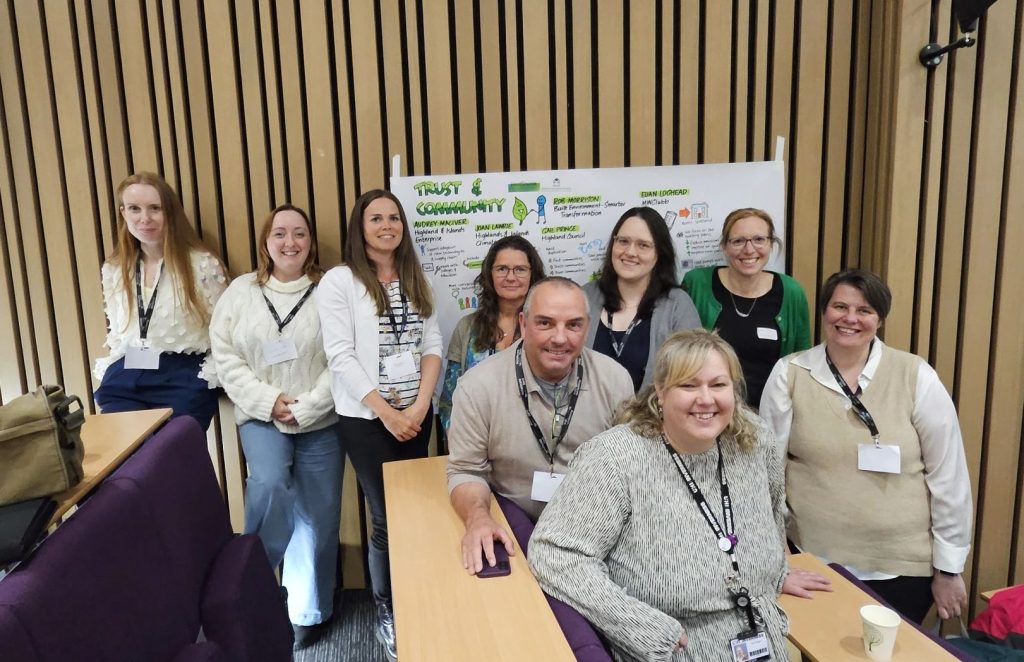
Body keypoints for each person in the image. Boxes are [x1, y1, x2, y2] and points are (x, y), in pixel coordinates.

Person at [528, 329, 831, 661]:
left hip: (760, 641)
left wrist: (772, 572)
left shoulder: (756, 443)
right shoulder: (615, 457)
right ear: (661, 392)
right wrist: (643, 627)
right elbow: (556, 554)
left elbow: (772, 515)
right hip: (672, 648)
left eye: (718, 385)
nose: (706, 399)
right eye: (688, 385)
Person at [760, 268, 972, 624]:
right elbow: (766, 473)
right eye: (839, 307)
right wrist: (778, 556)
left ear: (880, 319)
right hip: (814, 564)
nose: (850, 319)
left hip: (903, 569)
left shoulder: (915, 375)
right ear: (825, 311)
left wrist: (948, 570)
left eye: (864, 311)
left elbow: (948, 477)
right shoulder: (790, 373)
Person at [209, 204, 341, 650]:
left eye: (299, 234)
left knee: (318, 516)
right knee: (269, 486)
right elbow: (225, 355)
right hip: (261, 417)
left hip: (320, 419)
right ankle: (254, 592)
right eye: (280, 233)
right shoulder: (241, 292)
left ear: (311, 242)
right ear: (266, 241)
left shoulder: (330, 290)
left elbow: (344, 356)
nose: (290, 243)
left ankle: (309, 609)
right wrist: (269, 403)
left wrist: (306, 406)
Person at [318, 189, 442, 662]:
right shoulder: (341, 281)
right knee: (387, 519)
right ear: (360, 227)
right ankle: (386, 608)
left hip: (416, 414)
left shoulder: (415, 275)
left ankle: (417, 598)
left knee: (417, 512)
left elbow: (432, 342)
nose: (387, 225)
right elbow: (340, 355)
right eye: (376, 218)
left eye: (394, 217)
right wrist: (388, 413)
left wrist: (419, 407)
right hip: (368, 419)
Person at [446, 277, 634, 575]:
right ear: (523, 323)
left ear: (587, 326)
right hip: (513, 518)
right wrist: (478, 517)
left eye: (573, 325)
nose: (560, 338)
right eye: (545, 323)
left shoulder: (615, 381)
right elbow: (466, 470)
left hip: (592, 526)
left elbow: (630, 469)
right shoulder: (477, 387)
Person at [93, 171, 227, 430]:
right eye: (134, 209)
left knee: (171, 461)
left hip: (184, 377)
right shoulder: (115, 268)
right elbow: (119, 333)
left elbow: (224, 331)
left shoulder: (202, 264)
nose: (145, 219)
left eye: (155, 208)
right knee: (128, 462)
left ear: (170, 213)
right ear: (123, 213)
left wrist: (211, 376)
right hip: (127, 374)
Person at [682, 207, 811, 406]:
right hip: (706, 409)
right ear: (724, 246)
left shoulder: (791, 291)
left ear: (771, 244)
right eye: (738, 241)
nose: (749, 250)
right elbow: (679, 353)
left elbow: (801, 361)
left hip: (768, 414)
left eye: (759, 239)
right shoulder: (697, 283)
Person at [585, 207, 700, 392]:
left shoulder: (677, 305)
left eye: (643, 245)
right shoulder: (584, 297)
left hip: (651, 418)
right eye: (623, 241)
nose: (630, 252)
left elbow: (692, 374)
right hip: (589, 417)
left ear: (659, 253)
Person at [438, 235, 546, 431]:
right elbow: (449, 400)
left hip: (532, 445)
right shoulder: (467, 327)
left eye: (520, 269)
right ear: (490, 274)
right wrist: (459, 441)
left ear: (533, 275)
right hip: (473, 443)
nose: (510, 277)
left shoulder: (547, 329)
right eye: (502, 269)